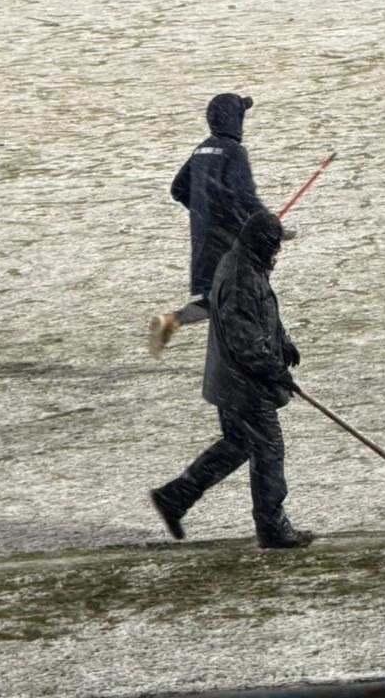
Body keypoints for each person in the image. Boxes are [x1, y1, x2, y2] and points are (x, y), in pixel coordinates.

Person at [149, 208, 313, 550]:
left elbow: (262, 316)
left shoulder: (247, 265)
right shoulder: (242, 278)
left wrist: (282, 343)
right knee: (268, 450)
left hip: (232, 382)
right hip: (244, 387)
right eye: (277, 246)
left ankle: (175, 498)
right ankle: (272, 527)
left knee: (238, 445)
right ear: (263, 245)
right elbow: (246, 343)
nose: (279, 252)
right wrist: (275, 372)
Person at [147, 92, 274, 357]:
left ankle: (174, 322)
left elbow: (178, 189)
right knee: (234, 298)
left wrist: (205, 211)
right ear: (235, 119)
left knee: (216, 297)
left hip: (204, 239)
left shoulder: (202, 149)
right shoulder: (234, 152)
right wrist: (272, 227)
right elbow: (246, 197)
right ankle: (242, 354)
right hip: (229, 242)